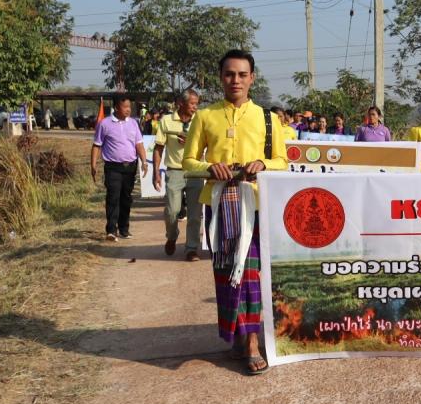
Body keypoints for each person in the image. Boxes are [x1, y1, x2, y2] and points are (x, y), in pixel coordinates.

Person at [182, 50, 287, 375]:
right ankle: (239, 335)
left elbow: (282, 161)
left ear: (252, 78)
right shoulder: (205, 116)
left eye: (242, 74)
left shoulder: (268, 119)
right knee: (228, 274)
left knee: (252, 274)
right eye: (230, 74)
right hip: (220, 206)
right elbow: (187, 162)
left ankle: (253, 343)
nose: (236, 80)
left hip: (256, 206)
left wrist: (263, 164)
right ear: (220, 77)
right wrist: (210, 167)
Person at [153, 91, 204, 260]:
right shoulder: (166, 121)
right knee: (172, 211)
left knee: (195, 214)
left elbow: (209, 144)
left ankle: (191, 248)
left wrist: (191, 142)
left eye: (197, 104)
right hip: (174, 172)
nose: (195, 107)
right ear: (181, 104)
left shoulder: (200, 120)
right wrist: (156, 173)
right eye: (192, 104)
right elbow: (159, 148)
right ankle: (172, 236)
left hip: (196, 172)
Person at [91, 94, 149, 241]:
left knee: (126, 198)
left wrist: (144, 161)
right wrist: (93, 165)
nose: (128, 110)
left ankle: (124, 229)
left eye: (129, 107)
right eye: (125, 107)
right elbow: (97, 145)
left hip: (130, 167)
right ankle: (111, 230)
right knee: (113, 197)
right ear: (116, 107)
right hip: (113, 167)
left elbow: (139, 144)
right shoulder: (104, 124)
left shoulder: (134, 123)